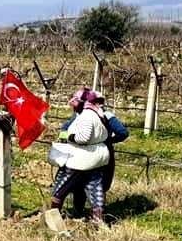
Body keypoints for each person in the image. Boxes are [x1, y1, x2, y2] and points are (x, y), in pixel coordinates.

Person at [60, 92, 129, 218]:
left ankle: (80, 213)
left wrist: (69, 139)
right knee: (98, 184)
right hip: (100, 155)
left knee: (81, 183)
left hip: (81, 155)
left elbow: (63, 130)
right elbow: (122, 133)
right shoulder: (104, 115)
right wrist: (106, 141)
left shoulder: (83, 115)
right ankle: (96, 215)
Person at [49, 88, 112, 224]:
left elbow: (83, 138)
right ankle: (98, 221)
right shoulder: (98, 114)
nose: (73, 104)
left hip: (81, 160)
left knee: (62, 186)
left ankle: (53, 218)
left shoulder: (86, 116)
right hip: (96, 159)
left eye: (76, 101)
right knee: (95, 188)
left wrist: (69, 137)